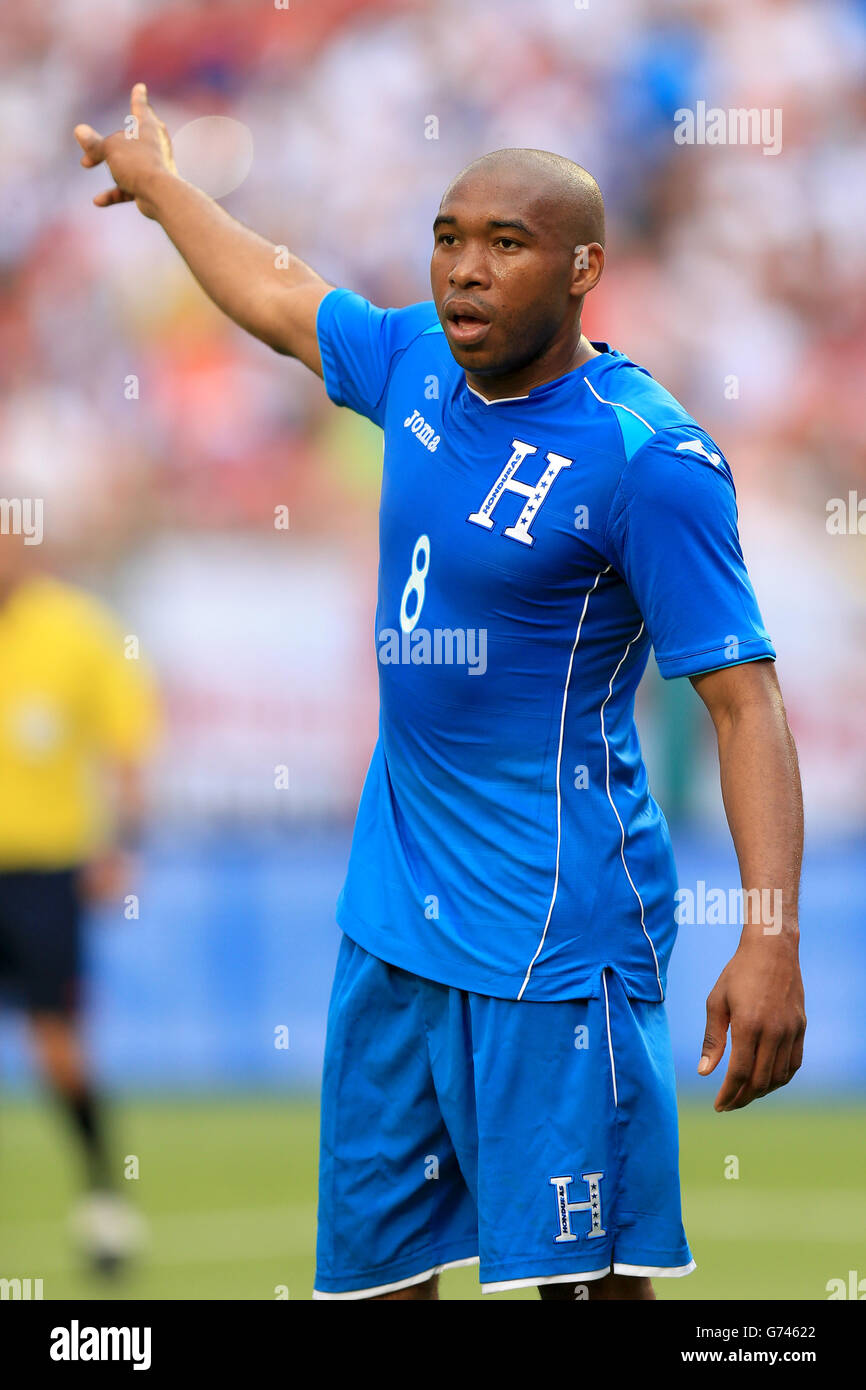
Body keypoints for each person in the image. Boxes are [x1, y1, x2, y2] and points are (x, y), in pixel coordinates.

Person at [73, 86, 806, 1301]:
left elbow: (746, 703)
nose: (463, 271)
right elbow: (273, 293)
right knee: (372, 1288)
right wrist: (159, 189)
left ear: (584, 270)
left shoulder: (645, 457)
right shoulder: (413, 359)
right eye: (447, 236)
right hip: (392, 924)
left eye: (503, 245)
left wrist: (769, 933)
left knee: (588, 1286)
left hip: (554, 934)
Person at [0, 524, 158, 1273]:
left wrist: (122, 841)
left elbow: (126, 739)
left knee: (56, 1042)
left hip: (42, 873)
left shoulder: (76, 631)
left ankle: (103, 1198)